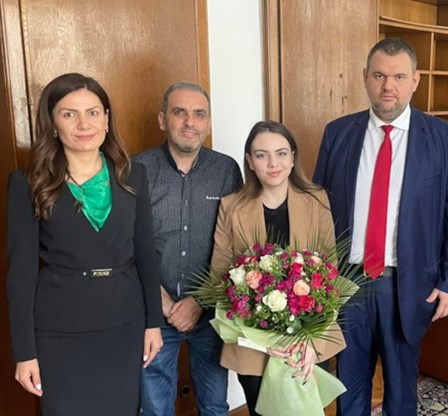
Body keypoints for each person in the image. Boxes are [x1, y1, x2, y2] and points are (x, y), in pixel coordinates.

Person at [313, 37, 448, 415]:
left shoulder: (445, 138)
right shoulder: (338, 133)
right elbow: (317, 208)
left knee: (401, 391)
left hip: (408, 284)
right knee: (348, 385)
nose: (389, 86)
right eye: (379, 76)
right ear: (365, 78)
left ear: (415, 80)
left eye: (399, 76)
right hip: (347, 283)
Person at [6, 72, 164, 415]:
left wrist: (154, 322)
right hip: (60, 330)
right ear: (52, 123)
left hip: (124, 324)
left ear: (106, 119)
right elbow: (20, 276)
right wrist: (25, 352)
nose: (83, 124)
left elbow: (145, 256)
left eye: (93, 112)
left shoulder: (132, 175)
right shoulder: (28, 183)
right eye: (69, 114)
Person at [209, 120, 344, 416]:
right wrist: (262, 342)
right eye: (262, 155)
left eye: (281, 153)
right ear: (250, 161)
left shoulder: (316, 200)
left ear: (293, 158)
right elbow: (219, 278)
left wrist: (309, 340)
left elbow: (330, 275)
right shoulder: (231, 206)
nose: (273, 163)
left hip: (309, 341)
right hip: (254, 345)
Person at [133, 82, 241, 415]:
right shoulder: (135, 170)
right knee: (154, 408)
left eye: (199, 114)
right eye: (179, 112)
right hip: (153, 314)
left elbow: (235, 245)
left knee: (214, 405)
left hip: (209, 314)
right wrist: (162, 301)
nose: (189, 122)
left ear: (208, 122)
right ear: (162, 119)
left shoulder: (226, 170)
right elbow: (125, 242)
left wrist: (199, 301)